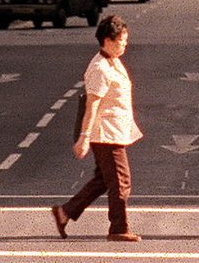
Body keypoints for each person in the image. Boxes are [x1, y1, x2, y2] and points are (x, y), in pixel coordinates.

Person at [52, 13, 141, 242]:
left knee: (103, 179)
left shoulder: (113, 61)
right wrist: (84, 137)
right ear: (108, 40)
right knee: (121, 181)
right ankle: (118, 228)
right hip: (105, 133)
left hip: (115, 130)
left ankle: (65, 212)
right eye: (122, 40)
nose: (125, 44)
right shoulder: (100, 68)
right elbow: (92, 105)